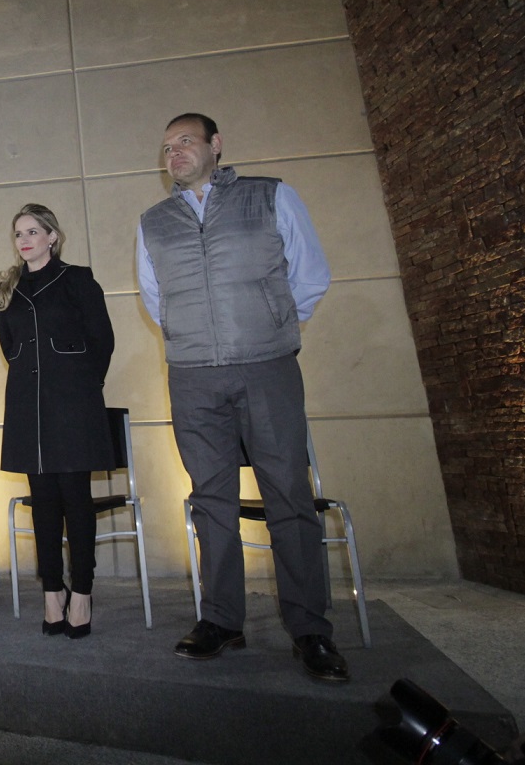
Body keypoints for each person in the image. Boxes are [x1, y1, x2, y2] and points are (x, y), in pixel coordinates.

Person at [136, 113, 345, 681]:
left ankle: (310, 631)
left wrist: (272, 327)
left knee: (288, 497)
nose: (173, 152)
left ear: (216, 146)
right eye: (166, 146)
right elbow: (155, 299)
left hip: (267, 368)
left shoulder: (270, 197)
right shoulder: (153, 222)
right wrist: (194, 339)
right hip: (193, 375)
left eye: (184, 141)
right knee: (212, 500)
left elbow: (311, 275)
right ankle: (222, 620)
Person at [0, 204, 114, 639]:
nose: (24, 240)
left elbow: (102, 339)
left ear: (52, 237)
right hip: (28, 405)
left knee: (75, 500)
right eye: (18, 233)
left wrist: (80, 385)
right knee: (43, 503)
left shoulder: (77, 279)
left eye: (32, 231)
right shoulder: (8, 287)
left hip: (73, 404)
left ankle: (81, 591)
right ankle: (51, 591)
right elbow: (9, 345)